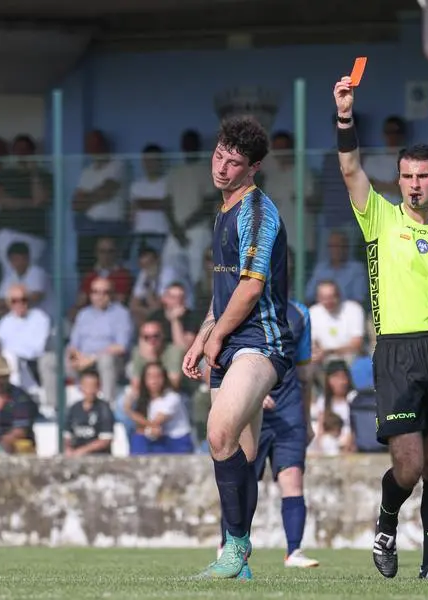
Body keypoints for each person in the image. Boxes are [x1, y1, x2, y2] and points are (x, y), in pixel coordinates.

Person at [332, 76, 428, 580]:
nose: (415, 184)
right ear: (398, 179)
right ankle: (387, 520)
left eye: (423, 176)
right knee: (409, 466)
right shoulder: (379, 218)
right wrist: (345, 116)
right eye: (407, 176)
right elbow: (349, 167)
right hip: (395, 351)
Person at [181, 115, 293, 581]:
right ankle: (238, 561)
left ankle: (234, 546)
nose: (222, 168)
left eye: (235, 163)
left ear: (255, 168)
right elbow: (223, 291)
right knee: (240, 457)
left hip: (260, 344)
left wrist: (219, 336)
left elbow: (249, 289)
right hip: (228, 344)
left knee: (218, 432)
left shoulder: (257, 213)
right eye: (219, 157)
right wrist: (202, 335)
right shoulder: (223, 211)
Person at [218, 251, 319, 567]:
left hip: (288, 410)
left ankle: (294, 551)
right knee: (243, 477)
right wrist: (251, 392)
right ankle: (228, 546)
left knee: (292, 477)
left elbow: (304, 374)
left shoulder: (299, 313)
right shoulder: (243, 310)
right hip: (254, 408)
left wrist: (306, 417)